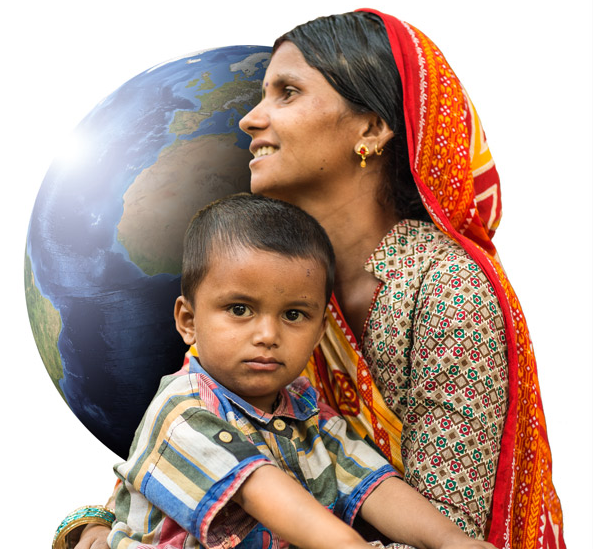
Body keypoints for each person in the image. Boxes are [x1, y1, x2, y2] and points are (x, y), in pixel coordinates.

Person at [57, 9, 564, 549]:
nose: (250, 119)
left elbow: (444, 534)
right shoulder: (260, 286)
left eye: (287, 93)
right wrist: (93, 529)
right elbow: (180, 451)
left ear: (370, 128)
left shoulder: (445, 292)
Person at [105, 192, 495, 549]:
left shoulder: (305, 411)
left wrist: (451, 541)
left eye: (294, 314)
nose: (268, 335)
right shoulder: (182, 410)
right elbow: (259, 488)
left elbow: (368, 481)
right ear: (188, 320)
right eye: (240, 309)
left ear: (319, 331)